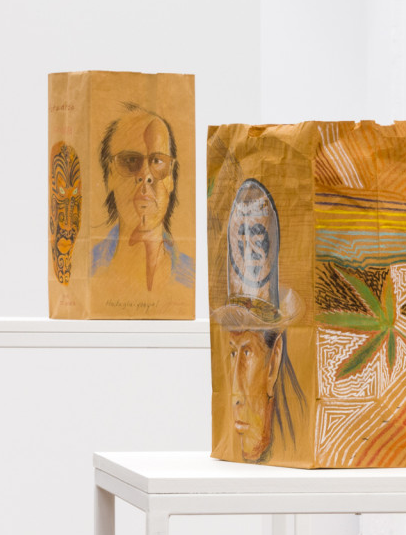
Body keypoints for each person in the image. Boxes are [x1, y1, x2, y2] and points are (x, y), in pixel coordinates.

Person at [213, 179, 305, 463]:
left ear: (274, 361)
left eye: (248, 352)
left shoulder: (299, 431)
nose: (234, 394)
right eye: (232, 352)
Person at [91, 104, 193, 294]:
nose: (145, 174)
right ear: (110, 174)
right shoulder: (87, 269)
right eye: (130, 161)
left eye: (157, 161)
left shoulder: (193, 277)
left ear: (170, 176)